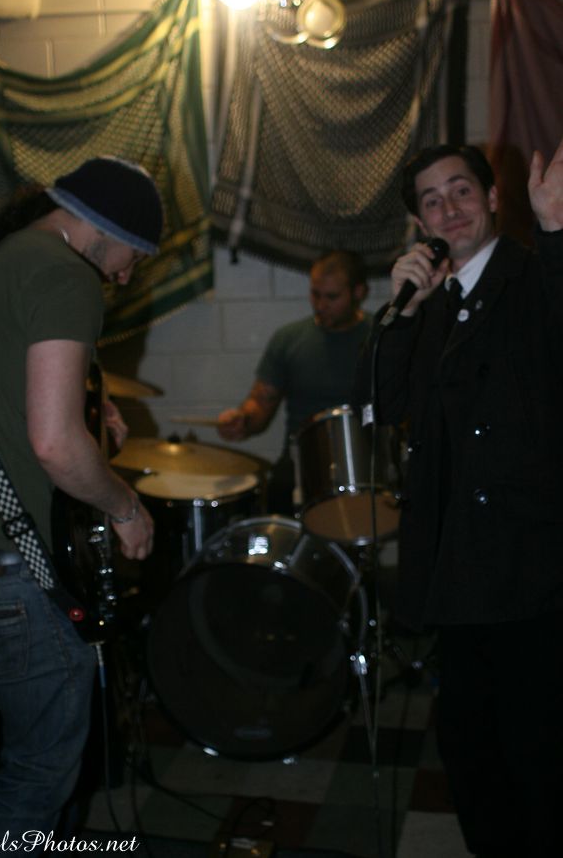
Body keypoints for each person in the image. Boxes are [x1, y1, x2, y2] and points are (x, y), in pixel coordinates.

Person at [352, 138, 563, 858]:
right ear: (420, 222)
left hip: (532, 569)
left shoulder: (534, 275)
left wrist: (557, 229)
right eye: (432, 201)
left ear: (494, 196)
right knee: (470, 749)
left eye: (462, 191)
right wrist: (402, 313)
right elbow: (381, 407)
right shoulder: (435, 305)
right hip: (458, 568)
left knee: (536, 751)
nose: (449, 209)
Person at [0, 156, 163, 850]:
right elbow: (53, 444)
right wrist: (126, 507)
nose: (126, 276)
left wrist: (90, 402)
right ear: (105, 230)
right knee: (38, 774)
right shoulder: (65, 274)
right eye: (135, 257)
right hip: (10, 576)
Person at [217, 250, 371, 515]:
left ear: (358, 292)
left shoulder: (382, 336)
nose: (320, 305)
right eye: (315, 294)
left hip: (365, 460)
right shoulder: (289, 339)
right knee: (277, 496)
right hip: (301, 461)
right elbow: (260, 404)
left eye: (332, 297)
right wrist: (242, 420)